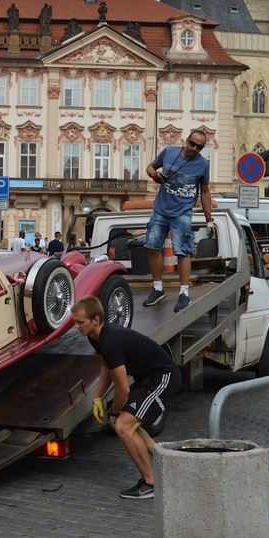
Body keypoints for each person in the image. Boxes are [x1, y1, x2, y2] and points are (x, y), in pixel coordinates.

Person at [71, 296, 180, 499]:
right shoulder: (95, 337)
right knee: (131, 425)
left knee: (123, 426)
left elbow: (122, 389)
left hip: (163, 378)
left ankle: (150, 482)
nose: (76, 326)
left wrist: (113, 412)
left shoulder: (111, 341)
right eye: (75, 322)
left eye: (80, 322)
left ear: (95, 319)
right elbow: (107, 367)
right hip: (146, 379)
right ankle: (167, 466)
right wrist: (98, 397)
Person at [144, 130, 212, 312]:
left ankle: (184, 293)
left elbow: (205, 191)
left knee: (183, 251)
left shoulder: (203, 165)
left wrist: (209, 219)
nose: (195, 148)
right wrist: (155, 176)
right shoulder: (169, 152)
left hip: (182, 212)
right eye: (193, 144)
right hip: (161, 209)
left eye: (200, 147)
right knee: (152, 247)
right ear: (186, 141)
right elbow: (150, 167)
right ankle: (158, 288)